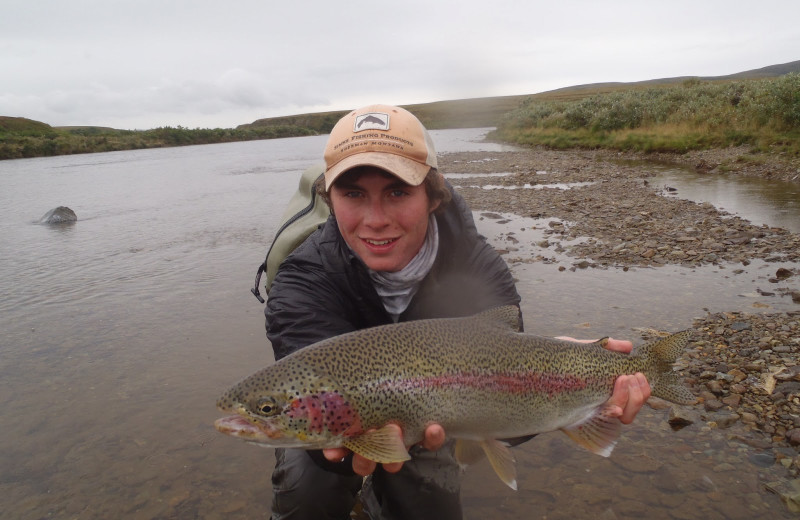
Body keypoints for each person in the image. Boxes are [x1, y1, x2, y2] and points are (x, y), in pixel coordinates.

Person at [263, 104, 651, 520]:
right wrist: (342, 453)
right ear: (329, 197)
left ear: (433, 195)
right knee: (310, 491)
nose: (375, 219)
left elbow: (505, 404)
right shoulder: (302, 279)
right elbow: (308, 408)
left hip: (440, 421)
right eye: (353, 193)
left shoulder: (479, 270)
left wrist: (565, 378)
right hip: (341, 423)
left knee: (429, 504)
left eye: (397, 192)